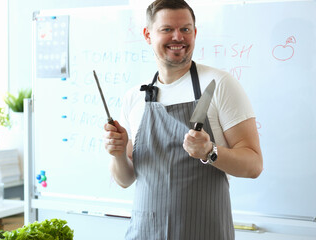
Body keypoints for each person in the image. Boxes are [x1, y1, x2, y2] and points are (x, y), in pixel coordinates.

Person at [103, 0, 263, 239]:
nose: (178, 37)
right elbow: (125, 180)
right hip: (145, 233)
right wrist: (117, 154)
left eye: (185, 29)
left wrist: (210, 151)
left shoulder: (219, 84)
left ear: (195, 33)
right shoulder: (134, 98)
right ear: (148, 35)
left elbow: (254, 165)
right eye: (167, 29)